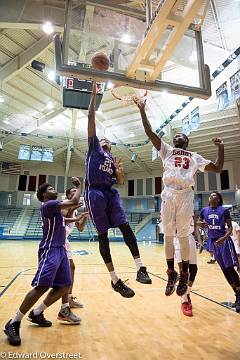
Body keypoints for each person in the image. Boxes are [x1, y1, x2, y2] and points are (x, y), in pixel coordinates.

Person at [135, 99, 224, 297]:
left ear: (186, 141)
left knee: (183, 235)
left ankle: (184, 273)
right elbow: (150, 133)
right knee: (167, 234)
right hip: (168, 193)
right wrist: (142, 110)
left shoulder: (194, 156)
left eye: (180, 135)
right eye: (175, 135)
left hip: (185, 194)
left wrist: (221, 147)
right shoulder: (166, 149)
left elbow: (217, 168)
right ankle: (171, 273)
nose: (177, 136)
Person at [85, 82, 152, 298]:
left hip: (110, 193)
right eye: (102, 138)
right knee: (103, 235)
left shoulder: (112, 159)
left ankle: (140, 267)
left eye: (107, 140)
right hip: (94, 193)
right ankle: (115, 279)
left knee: (125, 226)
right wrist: (94, 96)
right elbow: (90, 119)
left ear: (110, 146)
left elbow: (121, 182)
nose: (104, 140)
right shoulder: (93, 149)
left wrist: (119, 171)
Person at [4, 178, 84, 346]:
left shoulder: (54, 209)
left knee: (64, 286)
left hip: (61, 249)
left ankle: (37, 312)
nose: (54, 189)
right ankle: (13, 322)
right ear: (44, 195)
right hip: (50, 249)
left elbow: (63, 221)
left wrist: (75, 219)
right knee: (42, 286)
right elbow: (75, 199)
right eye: (50, 188)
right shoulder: (48, 205)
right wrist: (78, 185)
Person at [196, 192, 240, 312]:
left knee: (230, 268)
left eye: (215, 195)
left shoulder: (224, 211)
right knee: (225, 270)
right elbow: (197, 225)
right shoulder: (204, 210)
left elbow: (230, 227)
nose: (212, 196)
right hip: (213, 242)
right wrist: (200, 241)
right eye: (211, 195)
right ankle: (237, 294)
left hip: (224, 242)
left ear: (218, 199)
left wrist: (224, 238)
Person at [58, 187, 88, 319]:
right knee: (65, 271)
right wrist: (74, 207)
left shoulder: (74, 209)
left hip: (65, 240)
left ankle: (68, 299)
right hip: (57, 238)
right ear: (68, 195)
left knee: (71, 268)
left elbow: (80, 228)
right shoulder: (64, 204)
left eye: (77, 191)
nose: (76, 193)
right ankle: (64, 303)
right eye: (73, 191)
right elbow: (64, 218)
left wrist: (85, 215)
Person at [174, 217, 198, 317]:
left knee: (193, 270)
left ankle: (187, 293)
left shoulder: (191, 209)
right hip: (178, 239)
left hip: (190, 239)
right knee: (183, 271)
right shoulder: (173, 206)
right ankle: (184, 300)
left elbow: (195, 226)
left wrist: (199, 240)